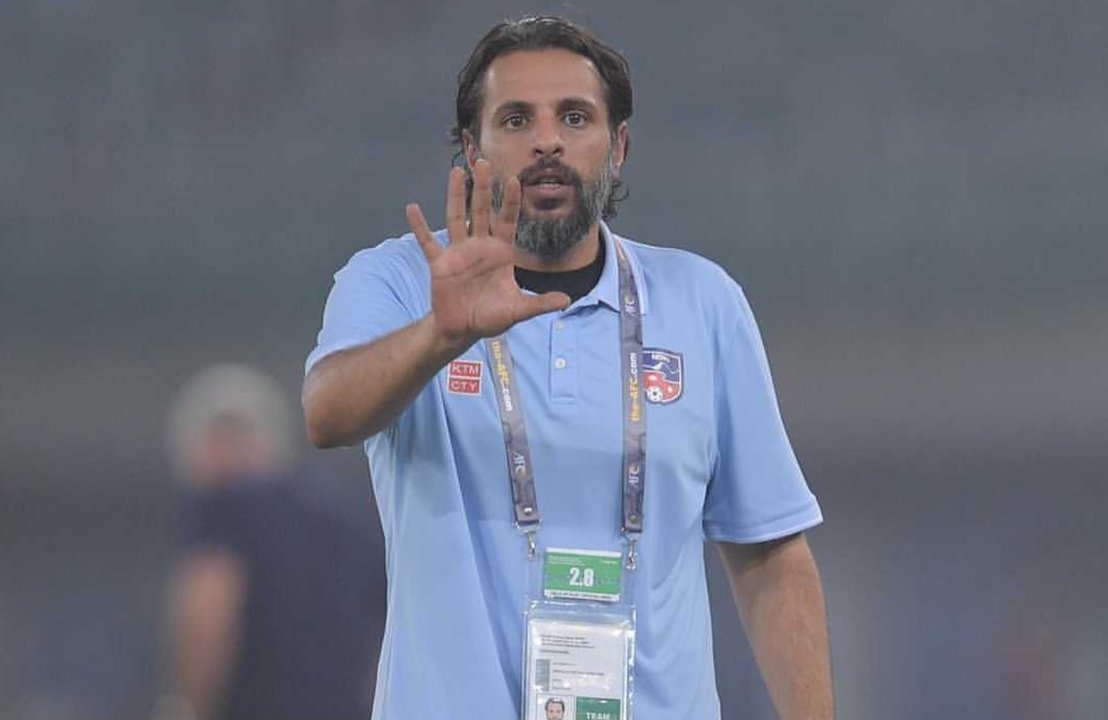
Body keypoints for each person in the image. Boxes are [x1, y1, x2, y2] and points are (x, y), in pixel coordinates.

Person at [303, 15, 833, 720]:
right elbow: (327, 414)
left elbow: (770, 552)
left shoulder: (702, 302)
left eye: (575, 117)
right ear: (471, 148)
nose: (547, 140)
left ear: (619, 146)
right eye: (516, 118)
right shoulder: (400, 280)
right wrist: (440, 334)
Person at [162, 363, 382, 720]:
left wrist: (189, 709)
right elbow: (385, 635)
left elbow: (208, 613)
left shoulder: (221, 503)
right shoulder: (348, 517)